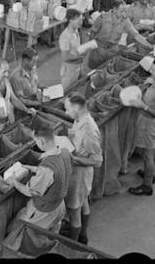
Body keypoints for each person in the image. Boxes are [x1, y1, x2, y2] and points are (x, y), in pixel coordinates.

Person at [6, 123, 73, 234]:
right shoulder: (65, 153)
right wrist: (34, 169)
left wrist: (13, 181)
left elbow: (29, 191)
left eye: (36, 141)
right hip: (59, 206)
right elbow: (57, 171)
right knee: (50, 235)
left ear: (41, 142)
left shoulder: (46, 169)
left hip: (46, 211)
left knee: (26, 235)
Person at [126, 57, 155, 196]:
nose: (150, 70)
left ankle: (146, 186)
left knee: (147, 155)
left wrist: (142, 106)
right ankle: (149, 175)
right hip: (148, 122)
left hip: (150, 124)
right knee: (151, 150)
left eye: (153, 69)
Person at [63, 92, 103, 244]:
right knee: (83, 203)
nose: (66, 113)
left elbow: (98, 160)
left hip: (79, 174)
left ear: (77, 108)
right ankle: (83, 235)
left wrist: (74, 158)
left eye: (67, 109)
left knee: (74, 210)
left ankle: (72, 244)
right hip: (81, 173)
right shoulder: (80, 119)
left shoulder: (89, 131)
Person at [89, 0, 153, 51]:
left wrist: (149, 46)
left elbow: (136, 35)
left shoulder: (125, 21)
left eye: (125, 11)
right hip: (99, 48)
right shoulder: (102, 18)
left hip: (113, 49)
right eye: (122, 11)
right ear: (114, 9)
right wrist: (90, 49)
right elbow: (93, 33)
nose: (124, 14)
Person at [9, 48, 47, 117]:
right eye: (34, 62)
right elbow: (20, 100)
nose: (35, 64)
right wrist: (37, 103)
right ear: (25, 61)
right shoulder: (16, 77)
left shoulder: (34, 68)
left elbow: (34, 81)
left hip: (35, 101)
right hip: (23, 108)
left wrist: (41, 86)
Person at [58, 9, 86, 91]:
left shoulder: (76, 31)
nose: (81, 23)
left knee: (74, 88)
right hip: (70, 69)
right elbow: (65, 57)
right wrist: (80, 56)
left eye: (81, 20)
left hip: (78, 65)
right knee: (67, 91)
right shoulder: (65, 37)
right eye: (78, 21)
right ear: (70, 20)